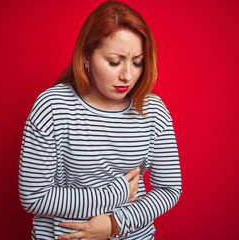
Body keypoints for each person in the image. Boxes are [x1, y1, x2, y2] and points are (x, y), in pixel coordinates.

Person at [18, 1, 182, 239]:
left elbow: (169, 190)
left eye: (137, 62)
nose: (127, 75)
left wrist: (114, 224)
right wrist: (114, 195)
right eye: (114, 62)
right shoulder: (52, 107)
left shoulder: (153, 111)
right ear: (86, 57)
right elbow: (34, 196)